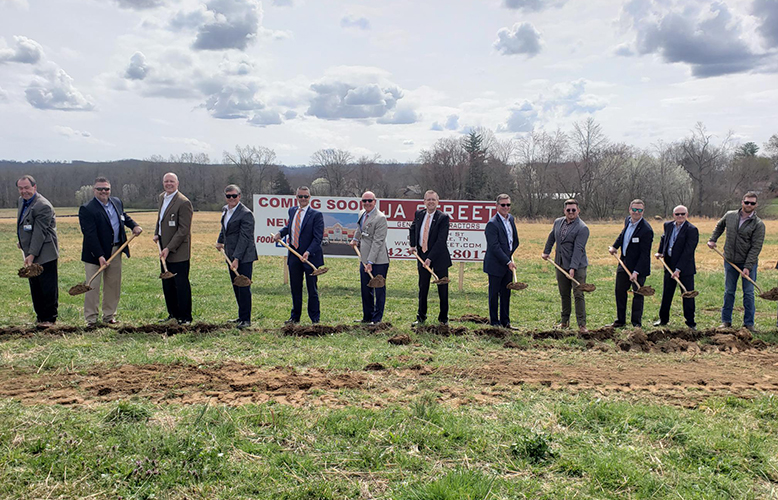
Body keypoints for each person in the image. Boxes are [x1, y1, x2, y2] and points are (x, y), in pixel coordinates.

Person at [78, 176, 143, 326]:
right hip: (95, 253)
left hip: (116, 249)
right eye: (100, 189)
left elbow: (123, 216)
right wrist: (100, 256)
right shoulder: (87, 209)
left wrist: (134, 225)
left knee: (113, 285)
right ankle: (91, 320)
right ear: (94, 190)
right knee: (92, 286)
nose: (103, 191)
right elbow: (90, 235)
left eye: (106, 189)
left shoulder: (116, 202)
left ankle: (109, 316)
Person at [708, 192, 765, 332]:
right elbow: (719, 226)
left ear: (756, 205)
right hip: (730, 261)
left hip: (748, 263)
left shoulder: (758, 224)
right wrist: (713, 239)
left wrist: (747, 266)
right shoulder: (730, 215)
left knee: (749, 292)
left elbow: (756, 247)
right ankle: (726, 321)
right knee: (729, 291)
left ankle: (749, 324)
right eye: (747, 202)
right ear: (742, 202)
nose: (749, 205)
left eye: (752, 203)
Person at [273, 186, 324, 324]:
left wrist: (308, 252)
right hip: (294, 255)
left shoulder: (316, 215)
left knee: (312, 289)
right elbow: (291, 227)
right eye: (300, 196)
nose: (303, 199)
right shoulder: (292, 211)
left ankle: (315, 319)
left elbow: (318, 238)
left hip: (310, 258)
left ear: (310, 197)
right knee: (295, 288)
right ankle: (295, 317)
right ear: (296, 197)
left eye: (305, 196)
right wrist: (280, 233)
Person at [16, 175, 59, 328]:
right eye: (21, 188)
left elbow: (39, 232)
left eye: (27, 188)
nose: (24, 191)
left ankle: (49, 318)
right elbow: (25, 225)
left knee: (47, 286)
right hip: (30, 250)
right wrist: (22, 243)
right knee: (35, 286)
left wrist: (32, 254)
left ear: (34, 187)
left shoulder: (43, 206)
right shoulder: (22, 201)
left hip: (45, 252)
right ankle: (40, 317)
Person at [542, 198, 589, 333]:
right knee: (564, 294)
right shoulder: (558, 222)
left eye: (574, 210)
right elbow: (552, 237)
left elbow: (578, 249)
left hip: (578, 266)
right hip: (560, 264)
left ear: (578, 211)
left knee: (578, 294)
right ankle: (565, 322)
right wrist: (546, 251)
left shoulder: (582, 228)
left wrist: (573, 268)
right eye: (568, 210)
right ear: (564, 211)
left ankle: (582, 325)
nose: (571, 212)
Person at [153, 172, 193, 325]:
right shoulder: (162, 197)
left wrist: (169, 248)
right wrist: (157, 233)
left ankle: (185, 317)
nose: (168, 184)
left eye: (171, 181)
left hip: (178, 251)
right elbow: (160, 218)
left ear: (177, 183)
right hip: (163, 248)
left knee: (180, 284)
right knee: (167, 284)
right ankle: (173, 315)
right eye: (166, 181)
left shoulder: (184, 202)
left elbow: (183, 230)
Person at [216, 185, 258, 329]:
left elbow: (245, 238)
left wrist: (237, 258)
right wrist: (220, 241)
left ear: (239, 196)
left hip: (244, 256)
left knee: (244, 286)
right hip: (230, 254)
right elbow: (225, 228)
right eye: (229, 196)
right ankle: (241, 315)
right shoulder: (225, 210)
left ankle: (246, 319)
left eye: (234, 196)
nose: (231, 199)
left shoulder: (246, 214)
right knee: (236, 286)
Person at [409, 190, 452, 325]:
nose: (431, 202)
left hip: (439, 257)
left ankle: (443, 319)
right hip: (422, 256)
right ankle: (421, 317)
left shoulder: (443, 218)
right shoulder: (419, 214)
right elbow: (413, 229)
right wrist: (412, 245)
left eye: (433, 199)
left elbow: (441, 241)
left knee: (442, 289)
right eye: (428, 199)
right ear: (424, 202)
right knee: (423, 287)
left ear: (438, 202)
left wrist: (430, 258)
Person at [608, 199, 653, 328]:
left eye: (639, 210)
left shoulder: (646, 230)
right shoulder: (628, 220)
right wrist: (615, 247)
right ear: (630, 209)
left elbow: (645, 254)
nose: (636, 212)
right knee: (619, 291)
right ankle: (620, 320)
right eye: (634, 209)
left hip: (639, 267)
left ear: (643, 212)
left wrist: (636, 272)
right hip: (624, 262)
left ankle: (636, 323)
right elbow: (622, 235)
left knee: (638, 294)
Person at [654, 205, 698, 330]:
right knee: (667, 293)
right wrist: (660, 252)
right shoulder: (668, 225)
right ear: (673, 215)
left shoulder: (692, 229)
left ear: (687, 215)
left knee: (687, 294)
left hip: (685, 268)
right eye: (677, 214)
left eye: (682, 214)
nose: (680, 216)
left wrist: (678, 269)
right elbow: (664, 238)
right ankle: (663, 319)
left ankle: (690, 322)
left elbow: (688, 252)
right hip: (669, 265)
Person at [350, 191, 389, 324]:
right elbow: (359, 229)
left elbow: (378, 242)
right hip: (364, 258)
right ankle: (367, 317)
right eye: (364, 201)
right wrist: (355, 239)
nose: (367, 203)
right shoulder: (362, 213)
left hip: (378, 260)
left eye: (369, 201)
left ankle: (377, 319)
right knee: (366, 289)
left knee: (378, 288)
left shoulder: (380, 218)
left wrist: (370, 262)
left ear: (375, 201)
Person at [483, 194, 519, 328]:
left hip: (507, 264)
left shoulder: (511, 220)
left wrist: (510, 254)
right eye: (503, 205)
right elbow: (494, 247)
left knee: (506, 293)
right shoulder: (492, 224)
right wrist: (507, 261)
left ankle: (505, 322)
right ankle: (494, 322)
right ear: (497, 206)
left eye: (508, 205)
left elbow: (514, 241)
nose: (506, 207)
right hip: (495, 265)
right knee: (494, 294)